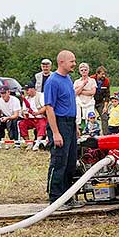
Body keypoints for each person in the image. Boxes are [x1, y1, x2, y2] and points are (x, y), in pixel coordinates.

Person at [45, 50, 83, 211]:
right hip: (59, 124)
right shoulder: (53, 81)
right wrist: (55, 132)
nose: (74, 64)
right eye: (72, 61)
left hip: (69, 124)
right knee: (59, 161)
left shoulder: (68, 78)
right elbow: (49, 107)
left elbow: (70, 105)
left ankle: (67, 197)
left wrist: (75, 127)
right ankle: (55, 198)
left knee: (70, 162)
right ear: (61, 62)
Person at [0, 85, 21, 149]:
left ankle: (17, 143)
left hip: (15, 118)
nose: (2, 95)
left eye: (4, 93)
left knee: (15, 122)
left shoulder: (15, 100)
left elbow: (16, 115)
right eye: (1, 93)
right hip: (5, 118)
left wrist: (8, 118)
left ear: (8, 92)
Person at [19, 83, 47, 151]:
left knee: (42, 125)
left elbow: (45, 107)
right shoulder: (26, 99)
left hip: (40, 117)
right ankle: (29, 142)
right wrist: (24, 114)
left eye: (27, 90)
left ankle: (37, 143)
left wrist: (38, 113)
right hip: (30, 119)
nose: (26, 92)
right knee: (21, 124)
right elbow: (24, 110)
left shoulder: (41, 95)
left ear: (33, 89)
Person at [73, 63, 96, 128]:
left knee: (90, 118)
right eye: (82, 70)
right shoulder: (77, 81)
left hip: (89, 102)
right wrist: (83, 85)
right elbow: (75, 93)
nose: (84, 71)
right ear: (80, 71)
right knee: (77, 118)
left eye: (85, 70)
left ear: (88, 70)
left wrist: (81, 90)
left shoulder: (92, 81)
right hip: (79, 102)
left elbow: (93, 92)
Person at [91, 66, 110, 135]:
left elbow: (107, 95)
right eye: (102, 74)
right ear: (97, 74)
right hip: (91, 101)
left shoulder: (106, 81)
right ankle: (88, 133)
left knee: (105, 117)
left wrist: (105, 107)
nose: (104, 76)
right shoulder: (91, 79)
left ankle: (106, 135)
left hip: (100, 101)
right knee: (89, 116)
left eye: (104, 74)